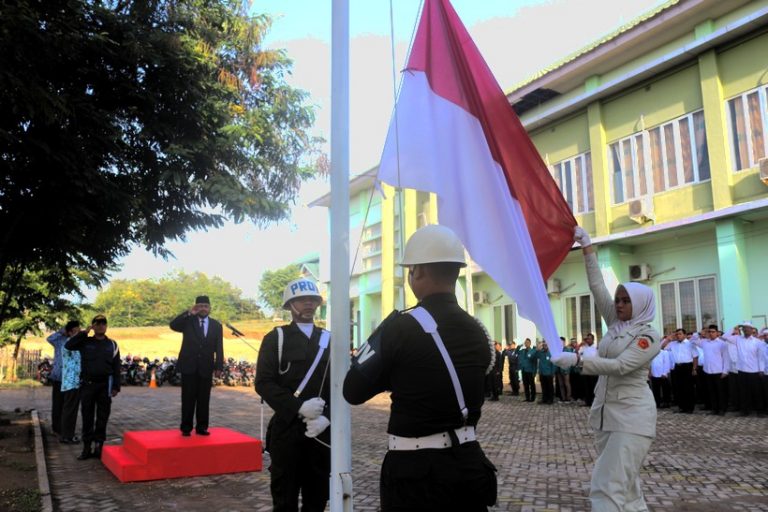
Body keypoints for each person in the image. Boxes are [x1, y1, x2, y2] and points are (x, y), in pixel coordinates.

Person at [343, 224, 497, 511]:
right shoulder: (478, 330)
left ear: (420, 271)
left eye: (411, 270)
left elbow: (352, 390)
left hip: (416, 475)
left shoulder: (401, 326)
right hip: (469, 466)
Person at [553, 227, 661, 512]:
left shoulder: (649, 335)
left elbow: (621, 366)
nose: (620, 304)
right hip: (606, 416)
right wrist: (587, 247)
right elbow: (597, 286)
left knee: (606, 488)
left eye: (626, 301)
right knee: (627, 491)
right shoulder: (615, 325)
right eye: (619, 300)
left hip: (632, 419)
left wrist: (578, 361)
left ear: (640, 304)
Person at [256, 277, 331, 512]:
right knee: (284, 498)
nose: (308, 304)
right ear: (290, 306)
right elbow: (264, 383)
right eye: (301, 300)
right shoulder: (276, 338)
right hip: (287, 430)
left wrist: (328, 417)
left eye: (312, 299)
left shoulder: (329, 339)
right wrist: (297, 406)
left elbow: (339, 385)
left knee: (317, 498)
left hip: (320, 431)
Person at [65, 315, 121, 460]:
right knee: (87, 417)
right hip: (88, 385)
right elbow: (69, 346)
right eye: (97, 323)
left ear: (106, 326)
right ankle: (86, 448)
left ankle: (99, 446)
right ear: (93, 326)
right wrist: (84, 333)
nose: (101, 326)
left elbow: (116, 367)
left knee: (103, 417)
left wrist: (116, 386)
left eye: (103, 323)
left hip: (105, 386)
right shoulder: (85, 342)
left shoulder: (112, 345)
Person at [169, 295, 224, 436]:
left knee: (204, 399)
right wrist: (189, 313)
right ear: (195, 307)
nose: (203, 309)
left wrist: (218, 366)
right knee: (187, 398)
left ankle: (202, 427)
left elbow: (219, 347)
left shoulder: (216, 325)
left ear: (210, 308)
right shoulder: (188, 321)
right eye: (200, 306)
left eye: (206, 306)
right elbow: (173, 325)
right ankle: (186, 427)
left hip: (206, 367)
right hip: (189, 366)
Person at [722, 322, 765, 416]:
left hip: (754, 371)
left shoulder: (757, 342)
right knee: (744, 393)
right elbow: (725, 336)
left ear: (752, 329)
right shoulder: (738, 339)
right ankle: (745, 411)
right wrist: (735, 327)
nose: (745, 330)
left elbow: (760, 357)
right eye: (744, 328)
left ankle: (760, 411)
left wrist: (761, 369)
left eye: (748, 328)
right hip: (741, 370)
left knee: (757, 393)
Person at [690, 325, 730, 415]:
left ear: (717, 333)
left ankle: (722, 409)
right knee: (711, 392)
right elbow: (692, 340)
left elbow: (726, 358)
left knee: (720, 392)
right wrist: (699, 333)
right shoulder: (704, 342)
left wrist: (725, 371)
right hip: (708, 371)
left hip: (719, 371)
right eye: (709, 332)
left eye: (713, 332)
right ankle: (714, 409)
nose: (711, 334)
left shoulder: (722, 344)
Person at [661, 328, 699, 413]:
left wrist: (694, 368)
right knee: (679, 387)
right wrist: (668, 339)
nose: (678, 336)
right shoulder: (673, 344)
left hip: (688, 367)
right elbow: (662, 347)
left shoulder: (690, 344)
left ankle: (690, 407)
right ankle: (682, 407)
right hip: (677, 367)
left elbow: (695, 357)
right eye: (677, 334)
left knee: (688, 388)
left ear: (685, 335)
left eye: (680, 334)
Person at [59, 321, 82, 443]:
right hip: (71, 382)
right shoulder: (69, 344)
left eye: (79, 330)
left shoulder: (76, 345)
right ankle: (66, 436)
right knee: (69, 411)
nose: (79, 333)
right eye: (76, 331)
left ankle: (68, 435)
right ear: (69, 333)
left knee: (71, 410)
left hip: (75, 382)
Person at [46, 325, 69, 437]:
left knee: (68, 405)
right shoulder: (58, 340)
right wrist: (61, 331)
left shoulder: (76, 340)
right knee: (57, 404)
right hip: (58, 377)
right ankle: (56, 428)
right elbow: (49, 338)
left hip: (70, 378)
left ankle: (65, 428)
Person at [579, 333, 599, 406]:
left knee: (593, 386)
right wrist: (580, 345)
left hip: (593, 369)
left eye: (589, 339)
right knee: (586, 386)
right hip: (585, 368)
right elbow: (578, 353)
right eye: (587, 339)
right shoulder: (584, 347)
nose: (588, 340)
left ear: (593, 339)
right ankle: (588, 401)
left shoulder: (596, 347)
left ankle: (594, 402)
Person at [517, 338, 538, 402]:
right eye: (525, 343)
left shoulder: (533, 351)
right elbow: (516, 352)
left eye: (528, 342)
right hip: (524, 370)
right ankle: (527, 397)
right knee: (525, 385)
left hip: (530, 370)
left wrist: (534, 372)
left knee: (532, 385)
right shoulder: (522, 351)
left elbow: (535, 363)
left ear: (530, 343)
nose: (526, 344)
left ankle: (533, 398)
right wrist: (519, 346)